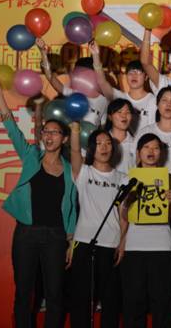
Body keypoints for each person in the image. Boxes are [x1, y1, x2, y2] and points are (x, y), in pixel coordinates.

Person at [0, 79, 77, 328]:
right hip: (26, 234)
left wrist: (71, 242)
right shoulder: (31, 156)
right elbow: (11, 128)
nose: (48, 136)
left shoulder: (71, 171)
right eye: (46, 132)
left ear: (64, 138)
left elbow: (72, 206)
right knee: (24, 293)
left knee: (55, 295)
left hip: (56, 237)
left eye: (55, 132)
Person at [67, 124, 125, 328]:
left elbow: (124, 216)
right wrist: (75, 130)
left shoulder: (122, 178)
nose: (104, 147)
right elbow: (75, 151)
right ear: (92, 148)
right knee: (81, 298)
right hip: (84, 242)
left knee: (110, 300)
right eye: (99, 143)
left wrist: (122, 243)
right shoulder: (84, 172)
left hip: (111, 244)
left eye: (108, 143)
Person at [120, 133, 171, 328]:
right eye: (146, 147)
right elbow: (123, 216)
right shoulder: (128, 179)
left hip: (161, 245)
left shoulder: (170, 179)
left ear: (161, 153)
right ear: (138, 153)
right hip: (134, 245)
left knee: (161, 301)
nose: (151, 151)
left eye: (155, 148)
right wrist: (128, 202)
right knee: (134, 301)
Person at [37, 38, 108, 126]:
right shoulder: (72, 94)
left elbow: (102, 127)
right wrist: (43, 53)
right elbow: (50, 76)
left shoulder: (103, 100)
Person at [91, 41, 156, 133]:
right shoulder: (120, 98)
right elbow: (102, 82)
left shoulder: (152, 100)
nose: (134, 76)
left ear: (146, 77)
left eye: (138, 73)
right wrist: (95, 55)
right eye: (130, 73)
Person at [135, 86, 171, 179]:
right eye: (164, 100)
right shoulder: (144, 132)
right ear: (157, 104)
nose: (168, 104)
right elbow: (136, 162)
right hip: (149, 185)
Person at [103, 98, 136, 174]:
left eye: (128, 112)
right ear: (110, 117)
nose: (124, 116)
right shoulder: (101, 142)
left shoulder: (136, 143)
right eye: (119, 112)